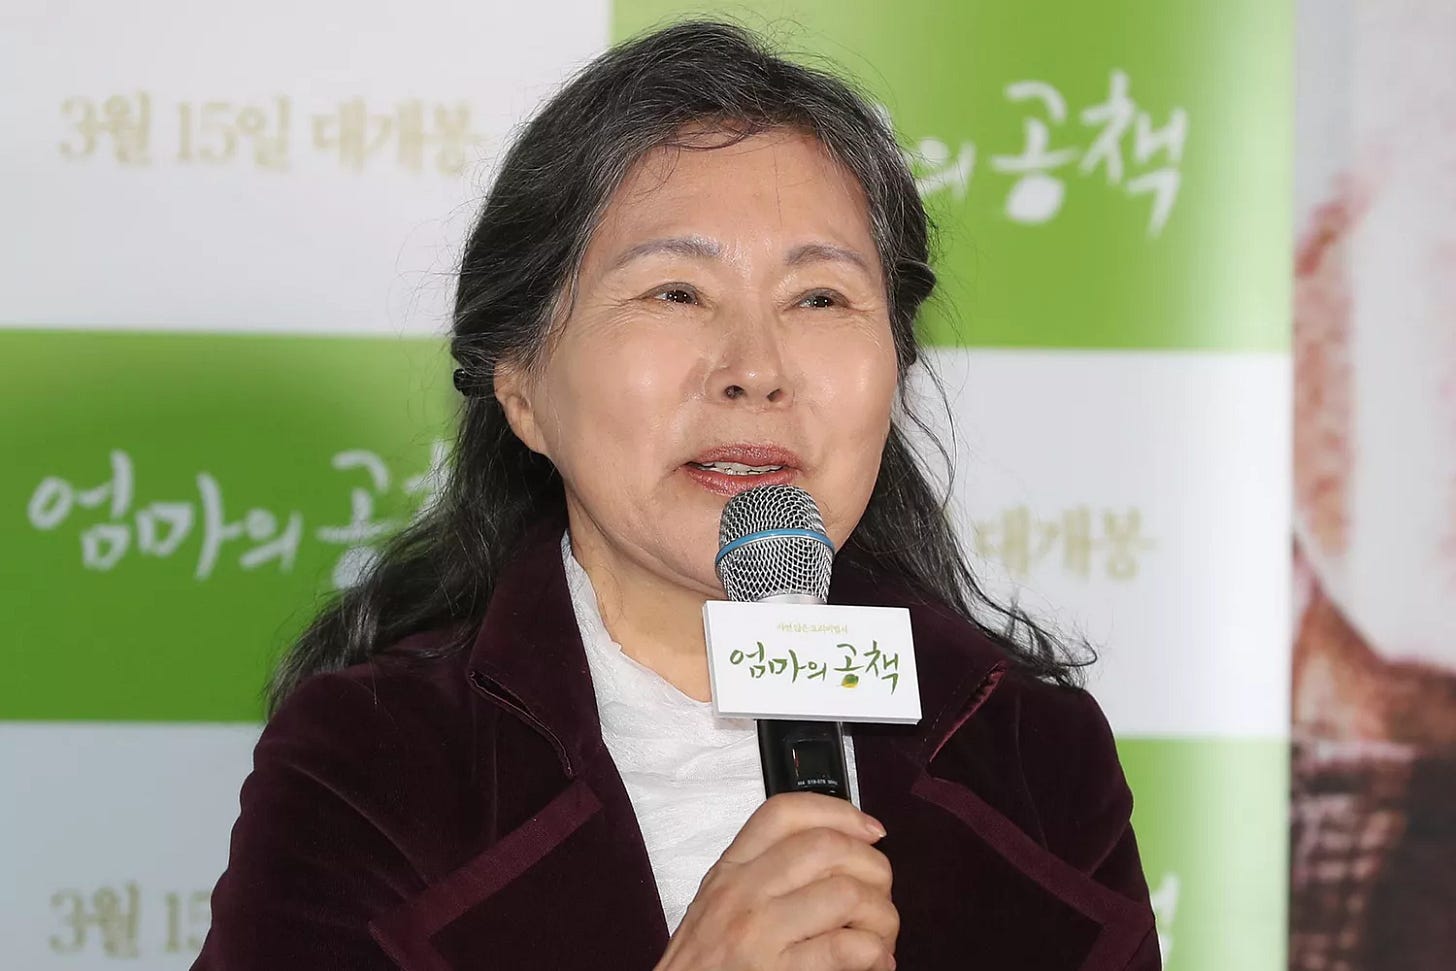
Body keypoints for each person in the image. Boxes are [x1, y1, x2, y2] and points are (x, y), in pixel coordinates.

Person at [194, 20, 1158, 970]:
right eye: (675, 294)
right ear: (521, 382)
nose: (754, 371)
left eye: (819, 299)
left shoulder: (1036, 756)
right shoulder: (372, 763)